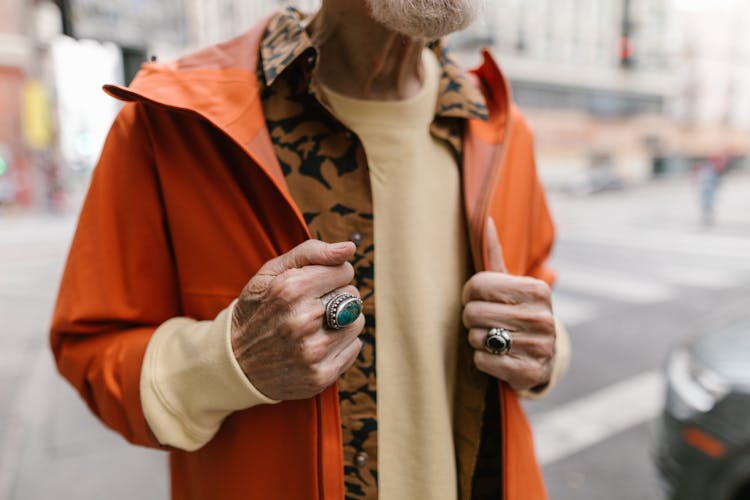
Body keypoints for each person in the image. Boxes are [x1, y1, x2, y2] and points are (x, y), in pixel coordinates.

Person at [50, 1, 570, 499]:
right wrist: (228, 360)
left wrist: (544, 351)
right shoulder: (175, 121)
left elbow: (535, 304)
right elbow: (91, 349)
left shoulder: (503, 131)